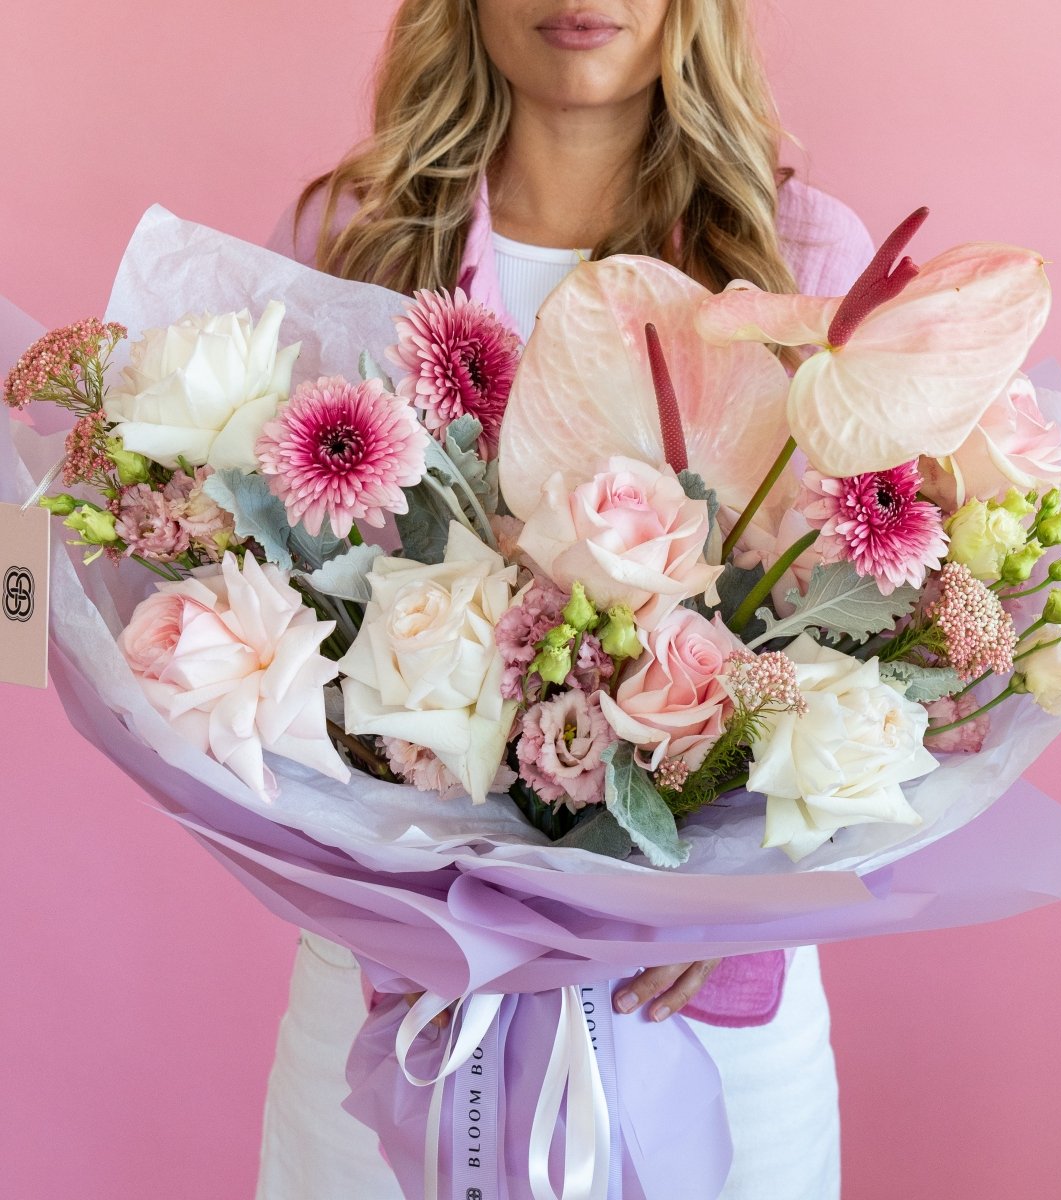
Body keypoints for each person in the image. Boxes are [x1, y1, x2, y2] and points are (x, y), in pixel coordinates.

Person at [259, 2, 872, 1197]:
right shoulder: (354, 237)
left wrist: (735, 891)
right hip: (404, 1003)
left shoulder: (798, 250)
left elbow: (881, 620)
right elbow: (251, 568)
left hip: (701, 1006)